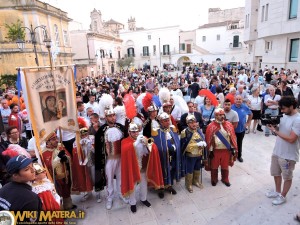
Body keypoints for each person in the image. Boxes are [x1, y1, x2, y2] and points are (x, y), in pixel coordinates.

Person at [121, 123, 164, 213]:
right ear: (129, 132)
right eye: (133, 132)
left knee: (144, 185)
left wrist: (147, 144)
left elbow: (154, 147)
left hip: (143, 167)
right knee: (132, 185)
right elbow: (125, 150)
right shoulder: (125, 141)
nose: (136, 133)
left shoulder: (143, 137)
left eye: (137, 131)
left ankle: (143, 199)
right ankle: (132, 203)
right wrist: (135, 144)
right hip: (132, 168)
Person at [265, 96, 300, 205]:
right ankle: (277, 191)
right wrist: (275, 127)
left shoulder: (298, 120)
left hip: (288, 155)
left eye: (284, 108)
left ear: (291, 106)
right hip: (277, 151)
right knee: (276, 173)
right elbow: (282, 131)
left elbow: (291, 139)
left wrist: (275, 130)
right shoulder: (285, 116)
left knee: (287, 177)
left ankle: (282, 196)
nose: (282, 110)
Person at [94, 102, 126, 209]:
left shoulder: (121, 127)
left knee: (121, 177)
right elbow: (98, 147)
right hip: (109, 159)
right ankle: (110, 198)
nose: (112, 118)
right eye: (110, 116)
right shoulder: (101, 130)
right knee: (109, 179)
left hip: (120, 158)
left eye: (113, 115)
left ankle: (121, 194)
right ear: (106, 117)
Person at [0, 155, 42, 223]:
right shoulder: (30, 198)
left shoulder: (5, 187)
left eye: (32, 166)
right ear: (15, 175)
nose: (33, 170)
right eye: (27, 169)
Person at [42, 132, 77, 210]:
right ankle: (60, 210)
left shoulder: (60, 146)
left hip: (65, 175)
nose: (57, 140)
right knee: (58, 194)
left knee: (66, 190)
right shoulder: (45, 153)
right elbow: (49, 166)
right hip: (56, 178)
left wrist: (66, 158)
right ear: (48, 141)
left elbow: (69, 157)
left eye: (56, 138)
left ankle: (68, 205)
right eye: (54, 139)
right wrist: (58, 158)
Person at [205, 108, 238, 187]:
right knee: (214, 165)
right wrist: (210, 150)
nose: (222, 116)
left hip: (226, 150)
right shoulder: (211, 126)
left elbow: (232, 137)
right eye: (219, 115)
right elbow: (208, 139)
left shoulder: (229, 125)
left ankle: (225, 179)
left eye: (222, 114)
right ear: (215, 116)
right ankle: (214, 179)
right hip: (215, 150)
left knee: (225, 165)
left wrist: (233, 148)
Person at [153, 112, 181, 198]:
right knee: (162, 171)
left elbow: (176, 140)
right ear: (160, 122)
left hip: (172, 155)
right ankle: (160, 188)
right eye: (165, 121)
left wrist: (175, 148)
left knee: (171, 169)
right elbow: (156, 145)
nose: (168, 122)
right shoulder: (156, 131)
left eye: (168, 120)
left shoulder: (173, 129)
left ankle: (169, 185)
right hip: (162, 157)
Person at [180, 115, 206, 193]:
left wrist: (203, 143)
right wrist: (196, 145)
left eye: (195, 122)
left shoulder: (198, 130)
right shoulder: (184, 132)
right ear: (187, 124)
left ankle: (196, 181)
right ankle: (188, 184)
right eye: (191, 123)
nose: (194, 124)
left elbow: (202, 138)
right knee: (190, 170)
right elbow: (184, 146)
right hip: (190, 155)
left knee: (197, 168)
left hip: (199, 154)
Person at [231, 95, 253, 162]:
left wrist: (248, 123)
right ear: (234, 100)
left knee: (239, 143)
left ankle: (239, 156)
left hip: (241, 129)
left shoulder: (245, 107)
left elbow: (251, 114)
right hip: (232, 129)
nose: (238, 100)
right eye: (237, 99)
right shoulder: (231, 107)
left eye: (239, 99)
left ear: (242, 100)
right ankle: (231, 155)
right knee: (232, 143)